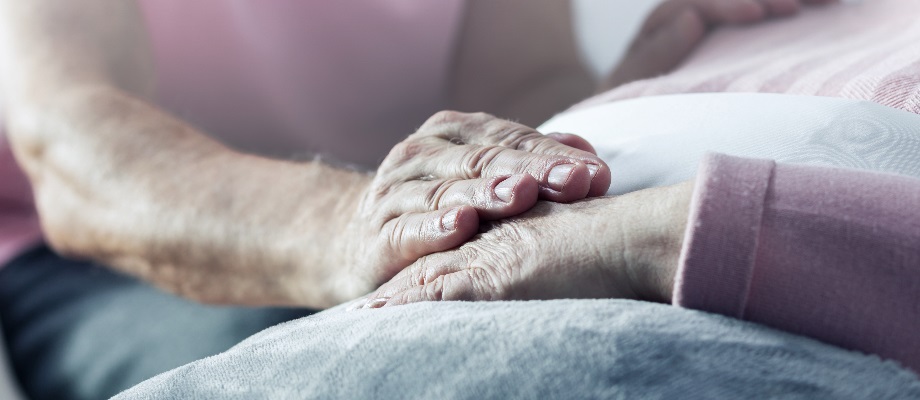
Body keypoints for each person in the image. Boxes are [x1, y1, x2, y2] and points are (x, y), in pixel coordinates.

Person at [0, 1, 821, 399]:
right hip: (97, 257)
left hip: (393, 201)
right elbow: (75, 149)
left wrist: (612, 106)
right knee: (303, 366)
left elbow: (518, 88)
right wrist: (343, 225)